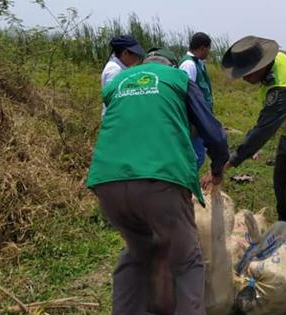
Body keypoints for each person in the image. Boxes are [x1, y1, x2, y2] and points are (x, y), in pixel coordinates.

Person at [87, 48, 229, 315]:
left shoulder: (119, 80)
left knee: (138, 252)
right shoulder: (177, 78)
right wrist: (219, 166)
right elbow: (214, 133)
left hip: (106, 181)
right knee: (187, 260)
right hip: (160, 180)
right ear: (172, 65)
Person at [216, 35, 286, 228]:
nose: (244, 78)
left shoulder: (281, 90)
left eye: (248, 73)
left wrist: (231, 161)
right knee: (281, 186)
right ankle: (284, 226)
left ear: (262, 65)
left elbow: (263, 130)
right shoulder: (277, 59)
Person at [179, 32, 214, 169]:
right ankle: (186, 187)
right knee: (196, 157)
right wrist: (192, 121)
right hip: (194, 120)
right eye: (209, 49)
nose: (209, 53)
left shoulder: (198, 63)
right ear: (202, 48)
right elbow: (185, 94)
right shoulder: (188, 65)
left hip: (201, 118)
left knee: (198, 155)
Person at [100, 34, 144, 117]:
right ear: (125, 53)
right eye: (135, 55)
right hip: (115, 117)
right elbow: (113, 97)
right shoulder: (114, 69)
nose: (137, 58)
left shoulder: (122, 68)